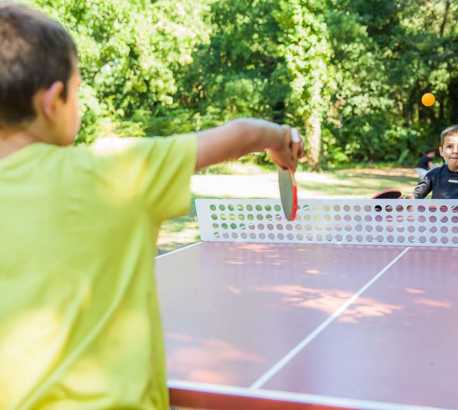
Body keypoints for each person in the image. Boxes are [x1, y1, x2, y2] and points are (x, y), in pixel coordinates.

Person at [0, 4, 303, 410]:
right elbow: (241, 133)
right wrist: (280, 139)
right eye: (77, 89)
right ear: (54, 100)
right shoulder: (114, 173)